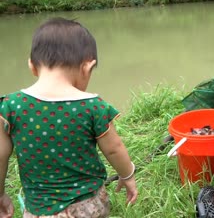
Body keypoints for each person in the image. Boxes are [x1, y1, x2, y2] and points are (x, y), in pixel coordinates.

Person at [0, 17, 138, 218]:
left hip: (38, 210)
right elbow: (114, 148)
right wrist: (128, 175)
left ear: (32, 66)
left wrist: (1, 193)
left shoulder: (11, 107)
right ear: (87, 67)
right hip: (88, 206)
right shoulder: (93, 107)